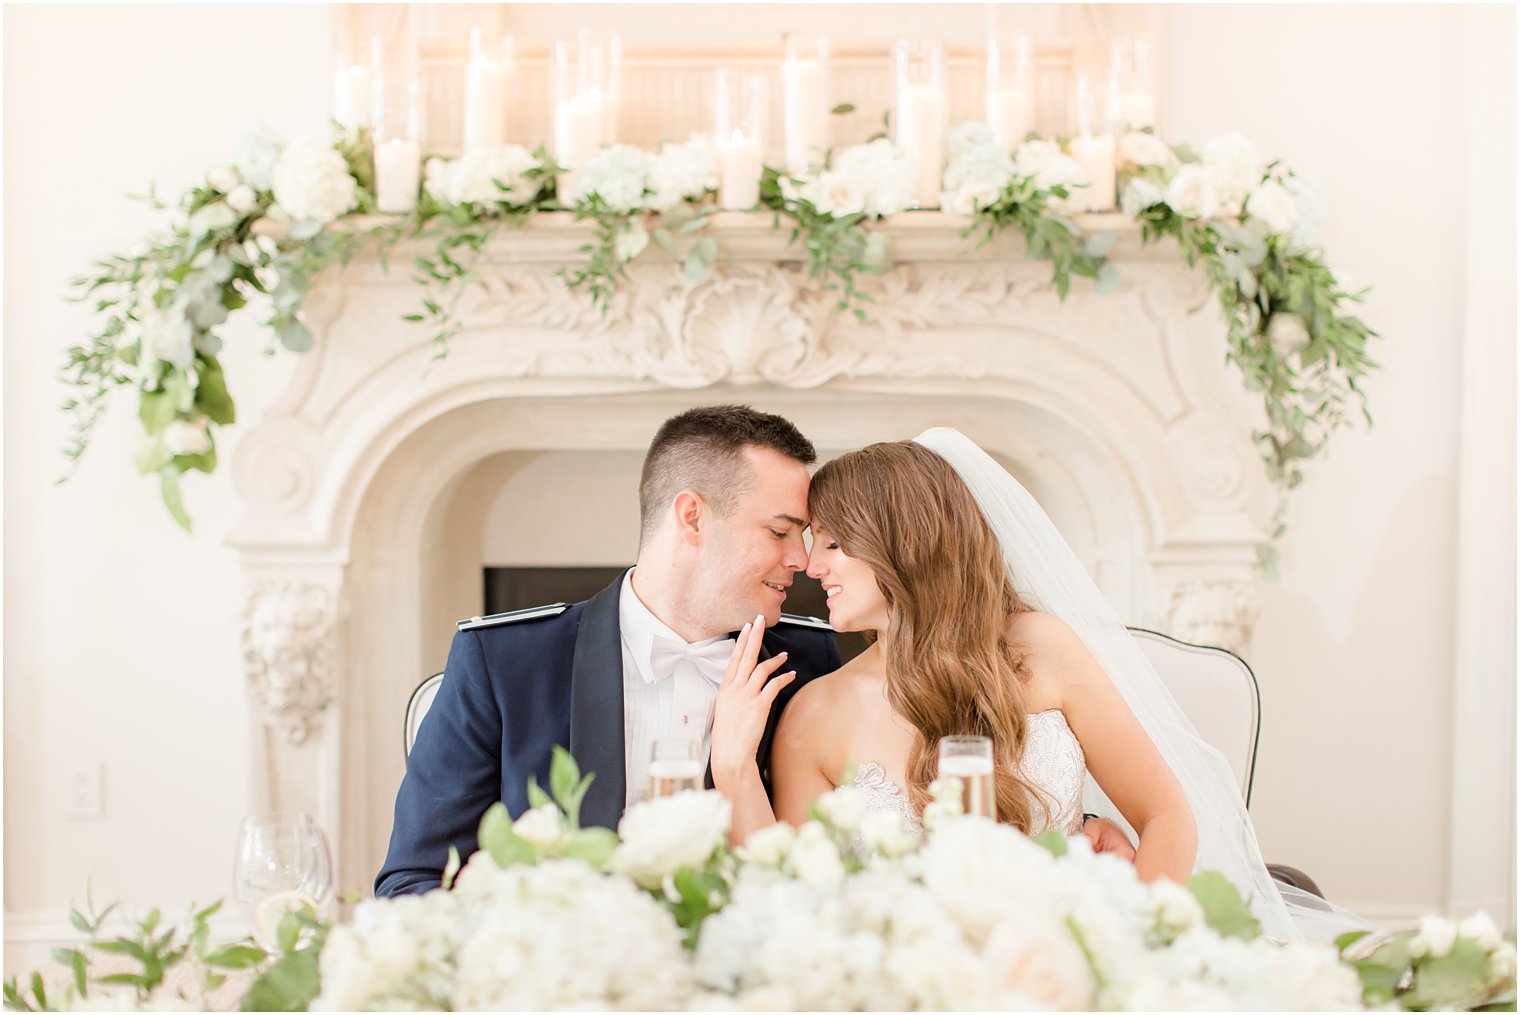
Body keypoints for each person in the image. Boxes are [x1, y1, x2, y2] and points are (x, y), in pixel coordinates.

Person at [714, 428, 1342, 940]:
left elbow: (1166, 815)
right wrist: (735, 763)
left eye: (832, 543)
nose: (809, 565)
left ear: (902, 542)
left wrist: (1131, 953)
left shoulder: (1042, 648)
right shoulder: (813, 713)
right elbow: (797, 899)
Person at [374, 405, 840, 897]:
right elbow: (411, 882)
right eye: (779, 531)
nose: (803, 560)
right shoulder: (504, 663)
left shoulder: (810, 665)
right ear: (692, 518)